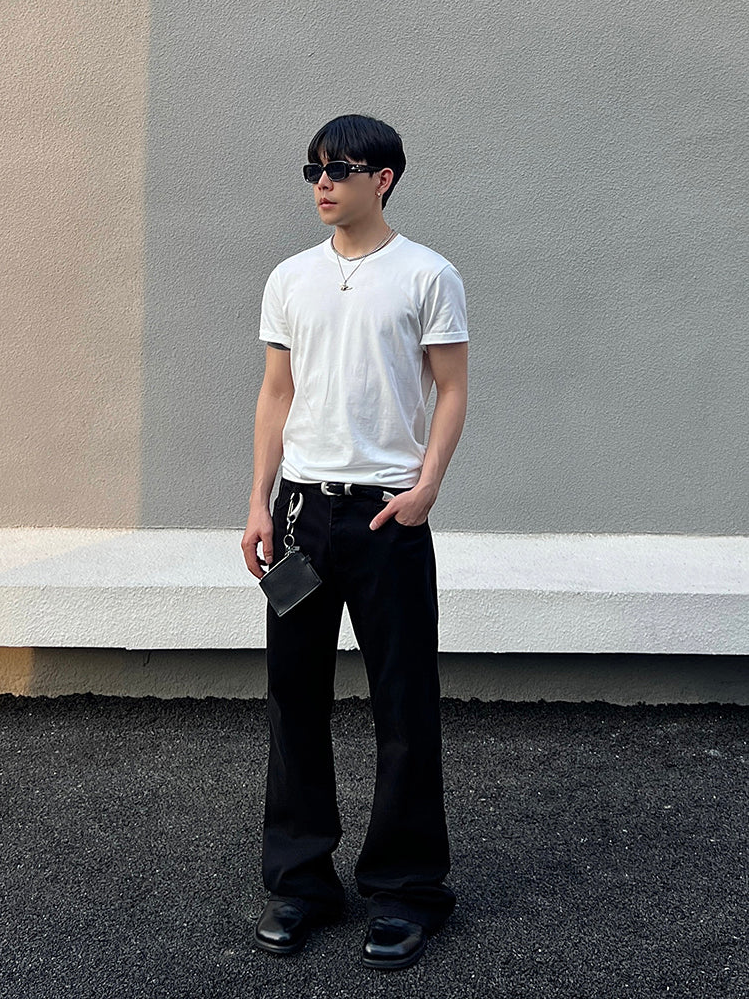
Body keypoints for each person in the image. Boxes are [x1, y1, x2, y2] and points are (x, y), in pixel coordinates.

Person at [241, 113, 468, 971]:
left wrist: (427, 487)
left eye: (340, 168)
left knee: (403, 704)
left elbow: (452, 387)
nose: (324, 183)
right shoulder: (291, 278)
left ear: (385, 178)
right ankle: (302, 883)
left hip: (385, 519)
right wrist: (258, 503)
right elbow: (276, 392)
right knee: (293, 699)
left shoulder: (427, 274)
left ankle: (407, 891)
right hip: (302, 516)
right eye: (314, 170)